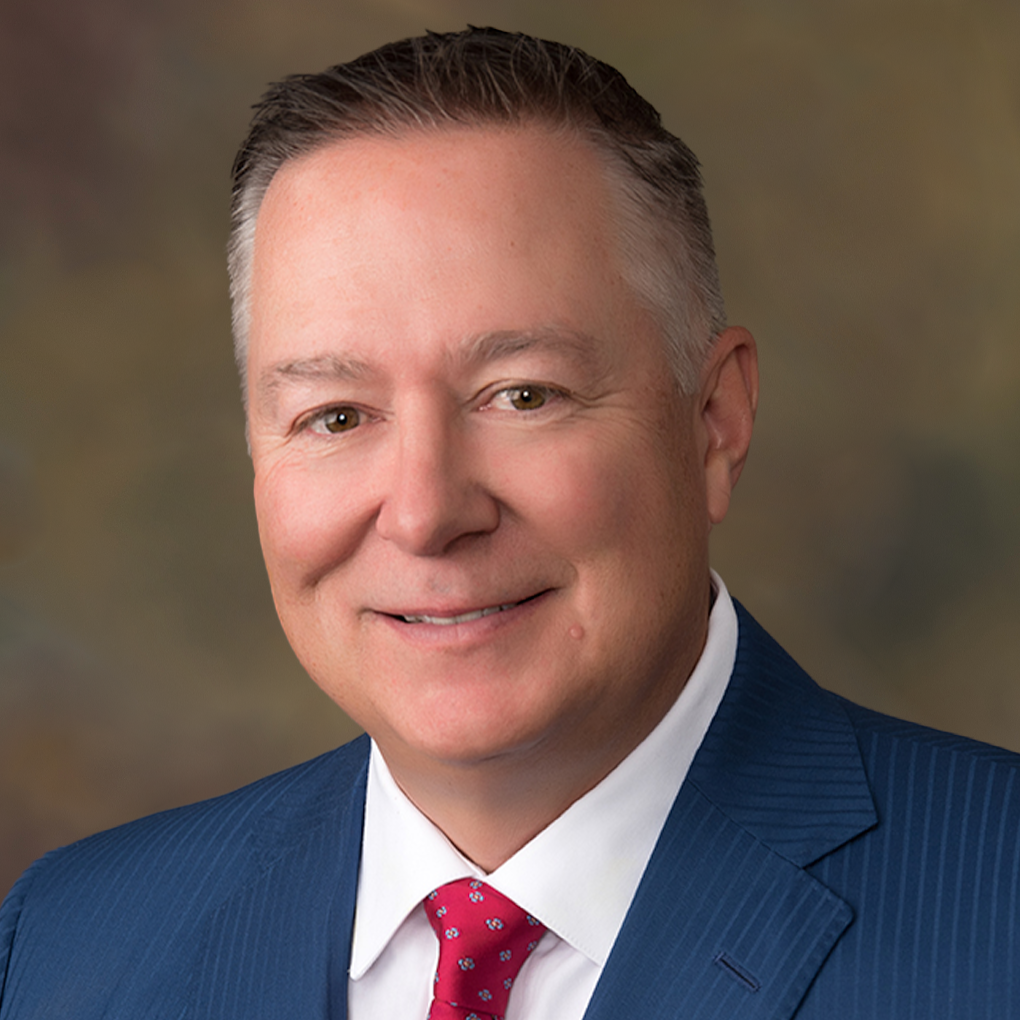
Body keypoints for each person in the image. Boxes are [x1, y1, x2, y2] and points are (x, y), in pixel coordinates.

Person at [1, 27, 1018, 1020]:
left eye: (522, 395)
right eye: (337, 416)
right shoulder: (68, 943)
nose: (427, 511)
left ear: (714, 423)